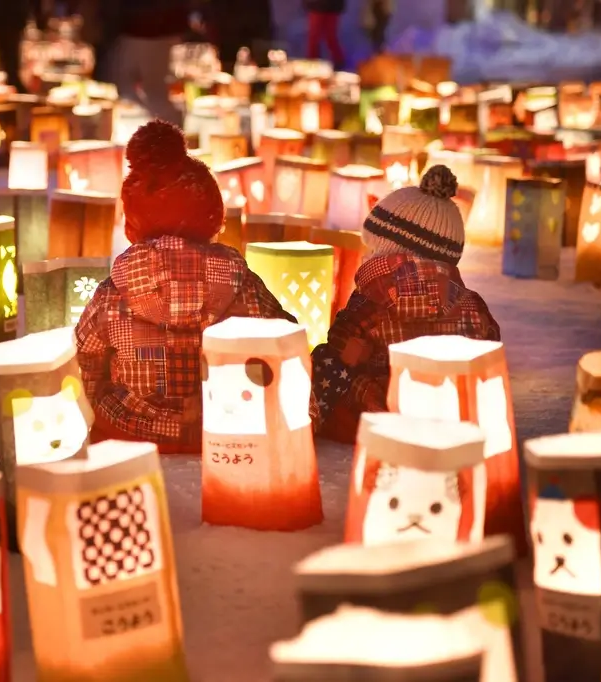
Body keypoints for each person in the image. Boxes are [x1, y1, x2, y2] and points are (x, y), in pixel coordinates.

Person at [75, 120, 299, 454]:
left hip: (131, 431)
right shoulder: (243, 285)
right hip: (223, 428)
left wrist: (91, 404)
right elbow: (284, 337)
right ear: (212, 217)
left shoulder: (114, 293)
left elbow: (85, 354)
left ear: (134, 224)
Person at [311, 165, 501, 443]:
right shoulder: (471, 304)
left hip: (384, 415)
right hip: (452, 415)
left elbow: (343, 346)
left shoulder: (372, 299)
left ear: (389, 247)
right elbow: (490, 351)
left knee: (325, 361)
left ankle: (308, 424)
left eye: (373, 246)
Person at [104, 0, 188, 125]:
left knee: (155, 96)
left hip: (152, 28)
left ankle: (169, 138)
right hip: (134, 27)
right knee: (128, 96)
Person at [304, 0, 345, 68]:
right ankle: (312, 62)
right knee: (316, 37)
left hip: (326, 6)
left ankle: (338, 60)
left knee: (325, 37)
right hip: (323, 6)